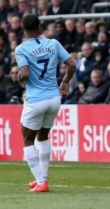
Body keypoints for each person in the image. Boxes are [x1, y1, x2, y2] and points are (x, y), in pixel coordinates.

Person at [15, 14, 76, 193]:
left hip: (36, 100)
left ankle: (42, 182)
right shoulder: (53, 43)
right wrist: (65, 82)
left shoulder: (21, 49)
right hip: (54, 98)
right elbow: (71, 64)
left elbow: (24, 74)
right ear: (39, 27)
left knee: (27, 139)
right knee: (43, 136)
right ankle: (41, 178)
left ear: (21, 27)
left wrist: (18, 78)